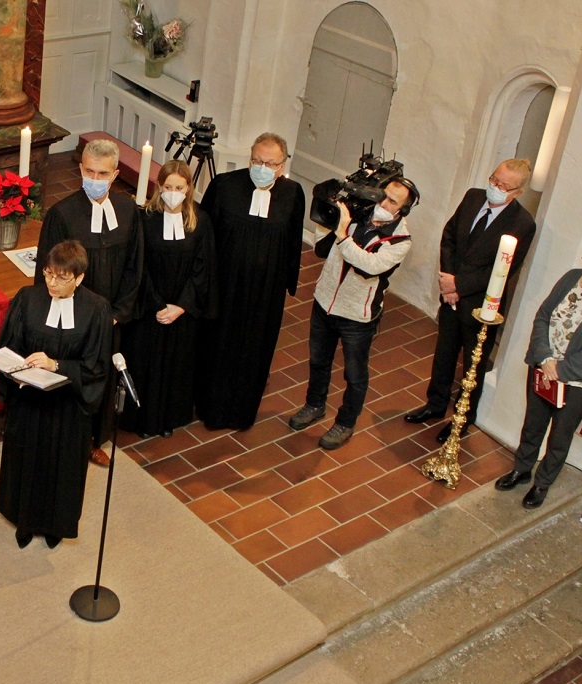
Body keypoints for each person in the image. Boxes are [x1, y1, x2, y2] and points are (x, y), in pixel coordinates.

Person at [405, 159, 537, 442]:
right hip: (450, 291)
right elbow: (449, 236)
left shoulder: (523, 223)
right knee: (444, 353)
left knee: (472, 365)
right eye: (494, 179)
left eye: (503, 186)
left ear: (517, 192)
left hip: (481, 304)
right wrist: (448, 279)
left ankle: (463, 417)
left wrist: (459, 285)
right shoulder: (474, 196)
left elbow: (503, 269)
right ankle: (435, 404)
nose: (495, 188)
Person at [495, 228, 582, 508]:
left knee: (559, 436)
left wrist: (560, 371)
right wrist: (545, 359)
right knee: (533, 423)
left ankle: (542, 484)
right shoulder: (571, 278)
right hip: (544, 367)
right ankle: (521, 469)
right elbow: (543, 316)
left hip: (578, 384)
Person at [0, 240, 113, 548]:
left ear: (79, 278)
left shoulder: (96, 309)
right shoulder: (27, 298)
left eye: (62, 277)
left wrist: (55, 364)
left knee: (63, 468)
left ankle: (55, 526)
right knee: (26, 461)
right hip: (30, 403)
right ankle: (24, 521)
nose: (51, 282)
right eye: (48, 273)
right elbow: (9, 345)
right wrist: (17, 370)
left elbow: (96, 365)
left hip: (68, 407)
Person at [288, 176, 419, 450]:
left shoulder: (400, 241)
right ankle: (314, 405)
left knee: (355, 374)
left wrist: (344, 232)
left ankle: (346, 422)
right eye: (382, 195)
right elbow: (324, 247)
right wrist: (327, 213)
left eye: (392, 201)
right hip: (325, 301)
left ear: (402, 211)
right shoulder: (358, 211)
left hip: (357, 317)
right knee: (318, 360)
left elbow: (367, 266)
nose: (382, 203)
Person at [35, 138, 143, 465]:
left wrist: (116, 313)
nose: (95, 179)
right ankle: (67, 439)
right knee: (74, 378)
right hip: (74, 318)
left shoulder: (127, 211)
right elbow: (50, 270)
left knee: (103, 378)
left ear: (115, 174)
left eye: (103, 173)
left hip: (110, 317)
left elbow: (134, 265)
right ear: (81, 169)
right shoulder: (62, 214)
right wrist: (81, 315)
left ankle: (96, 438)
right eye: (90, 171)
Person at [195, 132, 305, 430]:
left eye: (270, 163)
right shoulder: (224, 186)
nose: (262, 166)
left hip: (265, 293)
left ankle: (242, 411)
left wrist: (287, 284)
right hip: (225, 286)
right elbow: (204, 236)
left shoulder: (293, 194)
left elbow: (293, 241)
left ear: (282, 166)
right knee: (217, 344)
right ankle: (209, 407)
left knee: (255, 348)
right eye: (257, 160)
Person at [119, 160, 216, 438]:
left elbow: (203, 267)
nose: (173, 191)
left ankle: (168, 418)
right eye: (168, 186)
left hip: (181, 311)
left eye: (179, 187)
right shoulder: (144, 218)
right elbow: (139, 266)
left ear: (188, 189)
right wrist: (158, 304)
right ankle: (142, 420)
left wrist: (181, 306)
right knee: (144, 363)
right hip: (150, 308)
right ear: (159, 187)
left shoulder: (200, 220)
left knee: (177, 365)